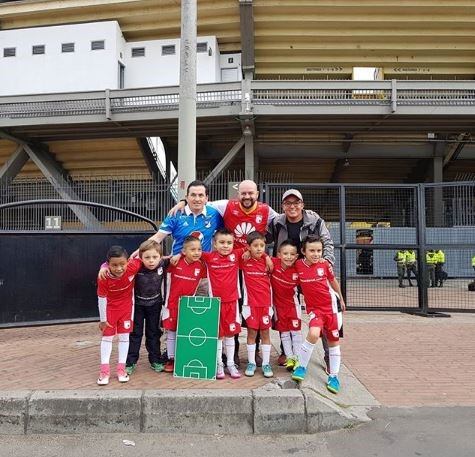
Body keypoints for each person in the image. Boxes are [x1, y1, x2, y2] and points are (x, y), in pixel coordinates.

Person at [169, 179, 278, 366]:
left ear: (257, 194)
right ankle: (232, 352)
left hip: (253, 267)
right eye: (243, 193)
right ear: (238, 195)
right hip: (232, 265)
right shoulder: (226, 205)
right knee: (234, 308)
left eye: (251, 193)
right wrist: (182, 202)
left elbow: (284, 219)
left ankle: (256, 349)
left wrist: (266, 256)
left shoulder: (266, 211)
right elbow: (201, 202)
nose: (247, 196)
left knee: (255, 307)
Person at [267, 188, 335, 369]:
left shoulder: (315, 221)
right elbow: (261, 239)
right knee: (284, 310)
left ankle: (329, 355)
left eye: (296, 203)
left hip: (310, 272)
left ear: (302, 205)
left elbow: (327, 242)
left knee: (324, 312)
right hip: (287, 272)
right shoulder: (277, 222)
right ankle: (286, 352)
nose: (292, 206)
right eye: (288, 203)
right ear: (283, 206)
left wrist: (325, 262)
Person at [292, 235, 346, 394]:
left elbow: (333, 281)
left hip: (332, 308)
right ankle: (301, 367)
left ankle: (334, 377)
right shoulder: (298, 265)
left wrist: (341, 298)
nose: (316, 254)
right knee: (314, 334)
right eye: (312, 251)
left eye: (319, 251)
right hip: (315, 309)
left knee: (333, 341)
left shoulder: (325, 265)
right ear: (303, 251)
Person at [132, 180, 223, 257]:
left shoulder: (214, 214)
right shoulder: (175, 214)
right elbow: (158, 238)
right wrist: (140, 251)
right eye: (193, 195)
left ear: (206, 198)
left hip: (203, 269)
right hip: (177, 267)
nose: (197, 199)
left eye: (201, 195)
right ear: (187, 198)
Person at [199, 228, 245, 379]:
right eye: (222, 242)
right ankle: (219, 364)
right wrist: (177, 255)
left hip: (232, 302)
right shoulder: (209, 257)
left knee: (231, 334)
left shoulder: (236, 255)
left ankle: (231, 364)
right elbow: (191, 251)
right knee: (218, 335)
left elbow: (255, 246)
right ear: (215, 243)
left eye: (229, 243)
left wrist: (266, 257)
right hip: (215, 303)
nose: (226, 246)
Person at [96, 245, 142, 386]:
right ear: (108, 264)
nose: (119, 268)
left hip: (127, 308)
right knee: (107, 338)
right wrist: (103, 320)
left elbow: (144, 253)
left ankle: (121, 369)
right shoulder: (104, 276)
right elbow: (102, 298)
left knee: (124, 337)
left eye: (122, 264)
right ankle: (104, 371)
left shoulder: (133, 266)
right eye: (114, 265)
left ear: (128, 261)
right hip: (110, 309)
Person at [161, 236, 206, 373]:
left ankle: (183, 359)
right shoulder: (174, 262)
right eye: (192, 249)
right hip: (171, 304)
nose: (196, 252)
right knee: (171, 331)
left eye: (199, 249)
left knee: (185, 332)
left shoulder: (201, 266)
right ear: (184, 251)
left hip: (188, 307)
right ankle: (171, 359)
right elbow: (155, 260)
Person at [125, 240, 168, 375]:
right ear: (141, 257)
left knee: (154, 333)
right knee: (135, 334)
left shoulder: (162, 263)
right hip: (137, 305)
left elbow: (177, 258)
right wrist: (103, 267)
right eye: (147, 257)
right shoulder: (136, 266)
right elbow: (117, 264)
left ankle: (155, 360)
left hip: (155, 305)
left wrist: (177, 256)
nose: (151, 261)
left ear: (160, 257)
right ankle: (130, 362)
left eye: (154, 257)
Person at [240, 231, 274, 378]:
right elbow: (230, 254)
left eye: (262, 245)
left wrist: (267, 257)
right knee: (252, 333)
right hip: (250, 305)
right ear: (249, 247)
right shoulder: (244, 260)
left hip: (266, 305)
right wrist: (245, 252)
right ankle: (252, 362)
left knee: (266, 334)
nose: (259, 248)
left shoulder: (269, 262)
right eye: (255, 246)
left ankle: (266, 363)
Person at [270, 239, 302, 372]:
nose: (288, 257)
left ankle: (298, 359)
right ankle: (289, 358)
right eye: (285, 253)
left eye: (292, 254)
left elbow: (311, 265)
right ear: (279, 254)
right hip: (278, 307)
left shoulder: (298, 267)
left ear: (296, 256)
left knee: (295, 333)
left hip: (293, 307)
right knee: (284, 333)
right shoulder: (273, 264)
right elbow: (261, 256)